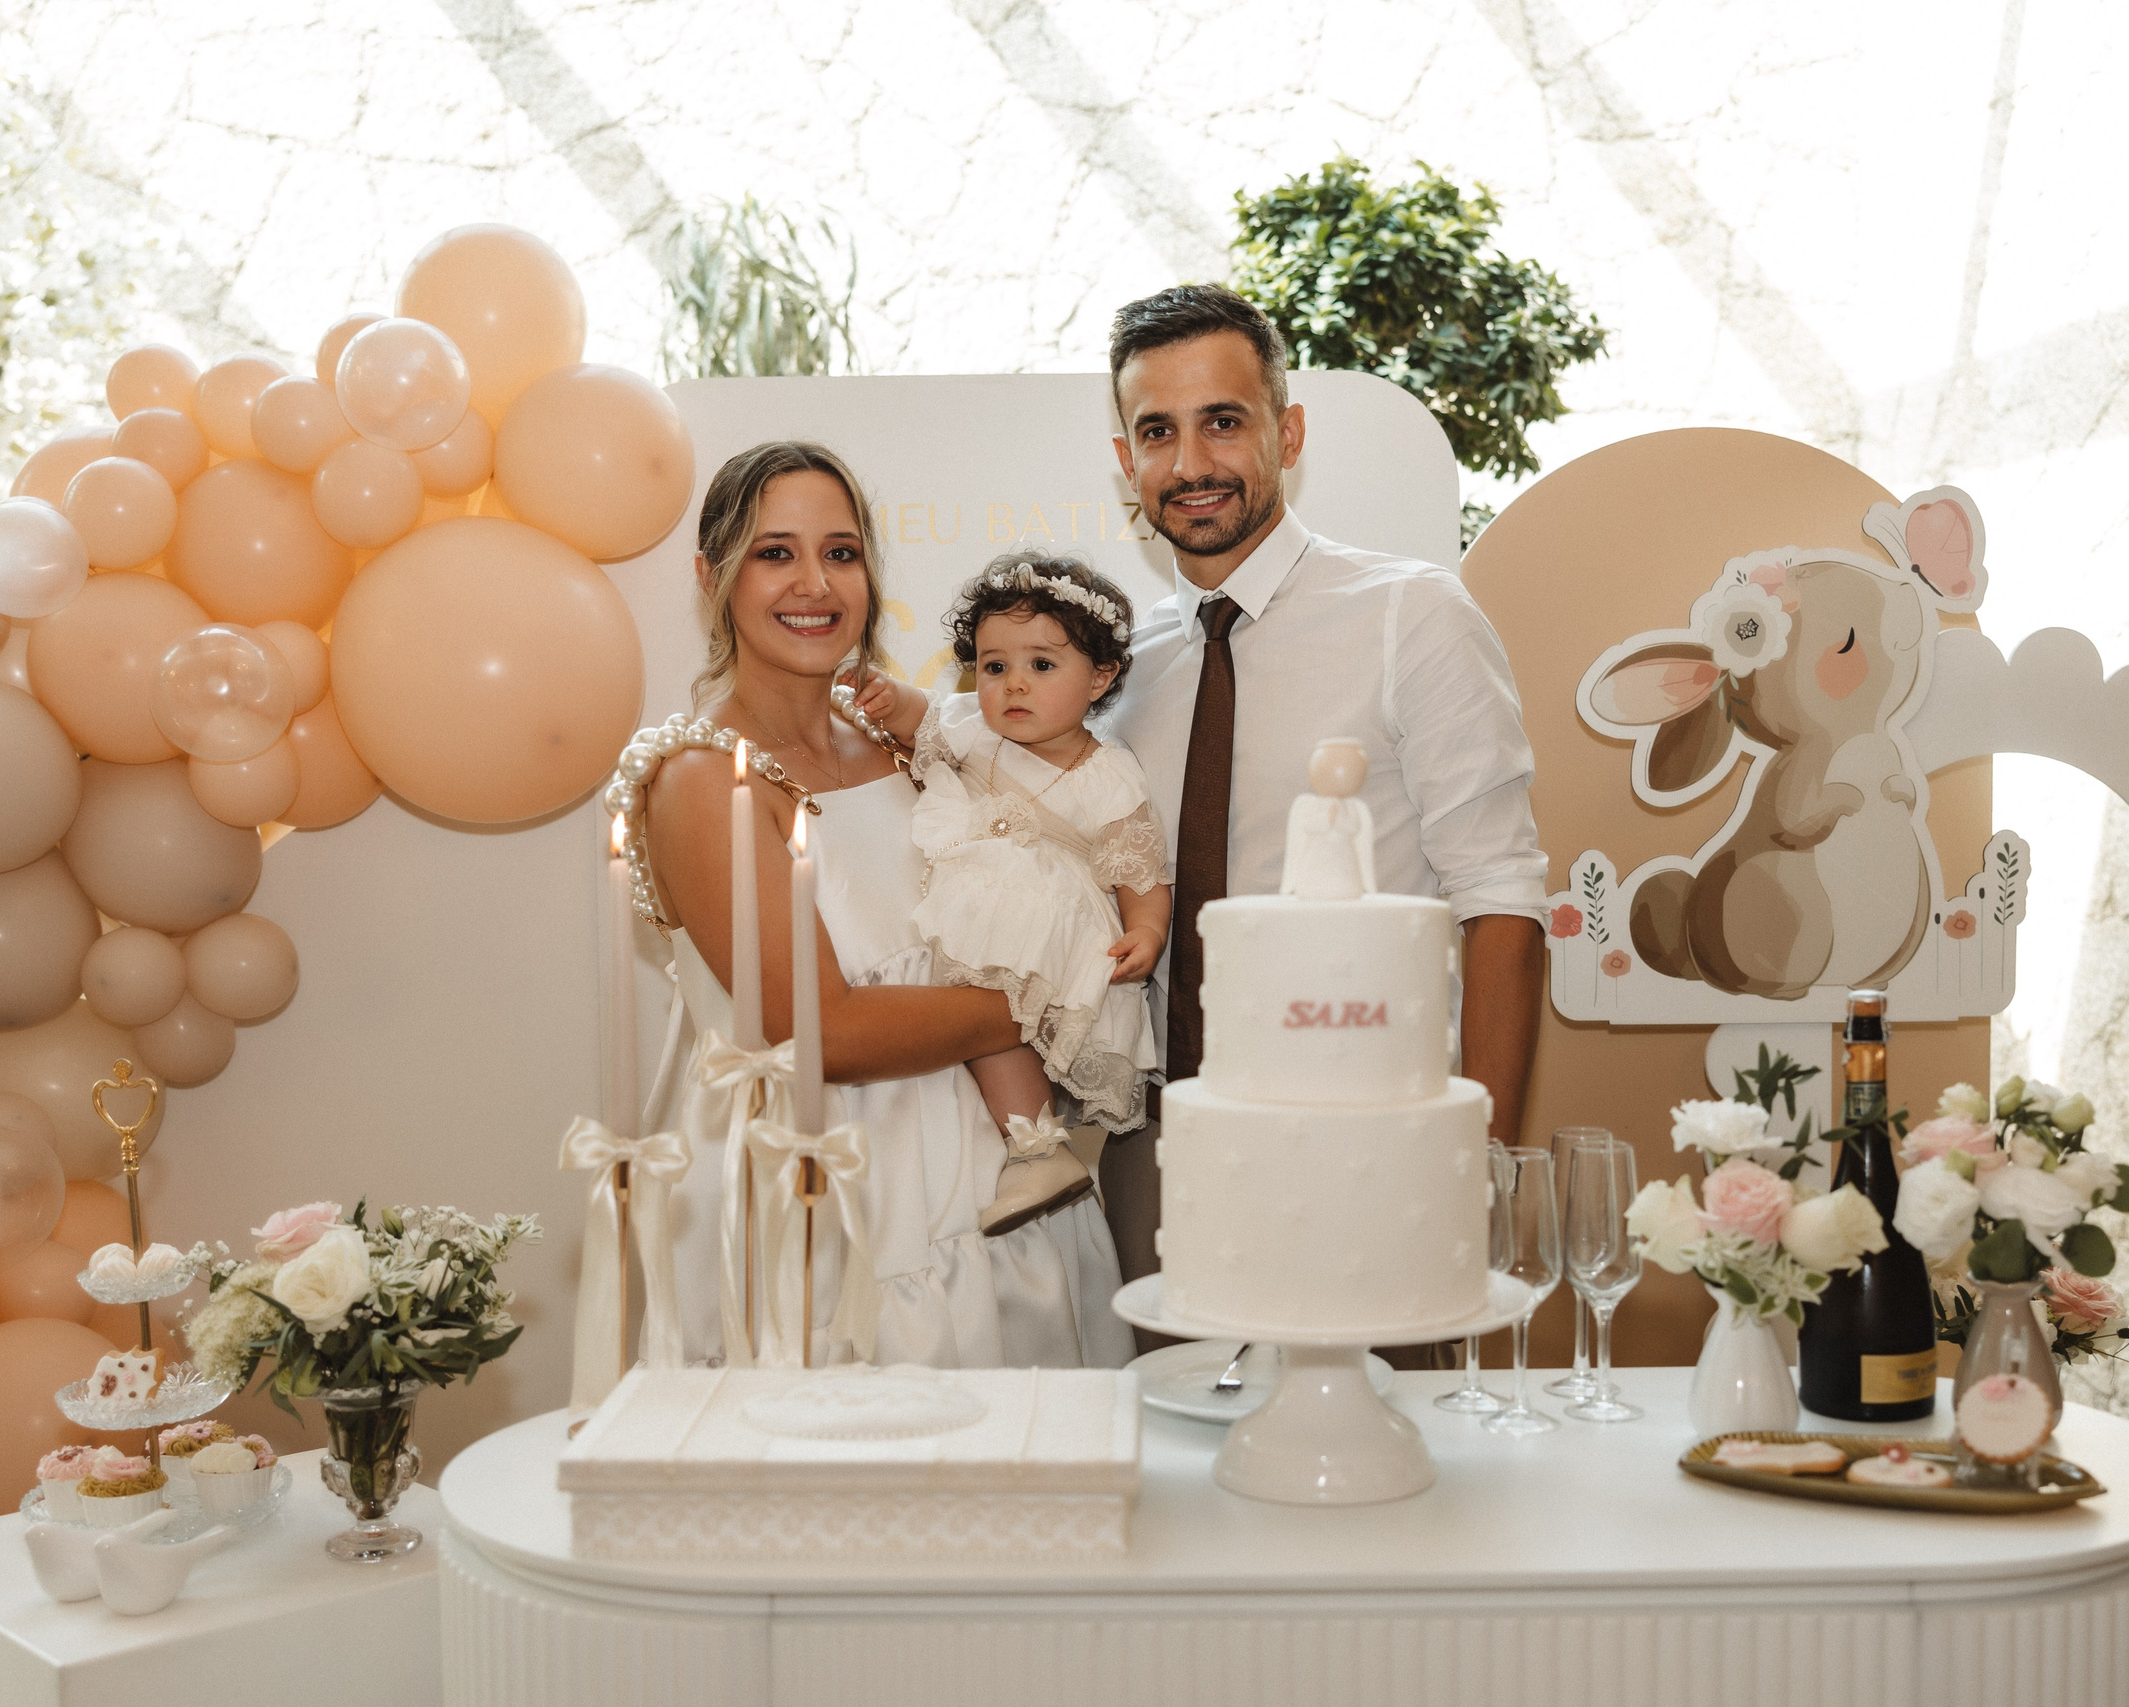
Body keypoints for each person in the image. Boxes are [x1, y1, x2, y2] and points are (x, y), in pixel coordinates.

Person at [1095, 283, 1549, 1296]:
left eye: (1224, 422)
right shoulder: (1118, 669)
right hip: (1160, 1151)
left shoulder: (1410, 615)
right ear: (1126, 461)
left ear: (1286, 432)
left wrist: (1474, 1163)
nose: (1192, 465)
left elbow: (1502, 899)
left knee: (1391, 1437)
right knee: (1171, 1438)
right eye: (1156, 432)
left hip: (1373, 1140)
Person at [642, 440, 1132, 1369]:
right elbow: (821, 1030)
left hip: (996, 1170)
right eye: (774, 552)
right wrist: (1045, 993)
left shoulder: (904, 743)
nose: (814, 583)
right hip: (842, 1198)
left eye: (842, 551)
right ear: (712, 577)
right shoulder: (705, 778)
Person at [850, 553, 1172, 1236]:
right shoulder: (973, 728)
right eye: (994, 667)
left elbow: (1137, 862)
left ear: (1101, 677)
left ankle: (1036, 1145)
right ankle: (1029, 1144)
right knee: (980, 1013)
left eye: (1042, 666)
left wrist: (1146, 931)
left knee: (992, 999)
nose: (1013, 685)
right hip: (986, 911)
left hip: (1052, 924)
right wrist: (885, 695)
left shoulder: (1107, 772)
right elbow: (921, 716)